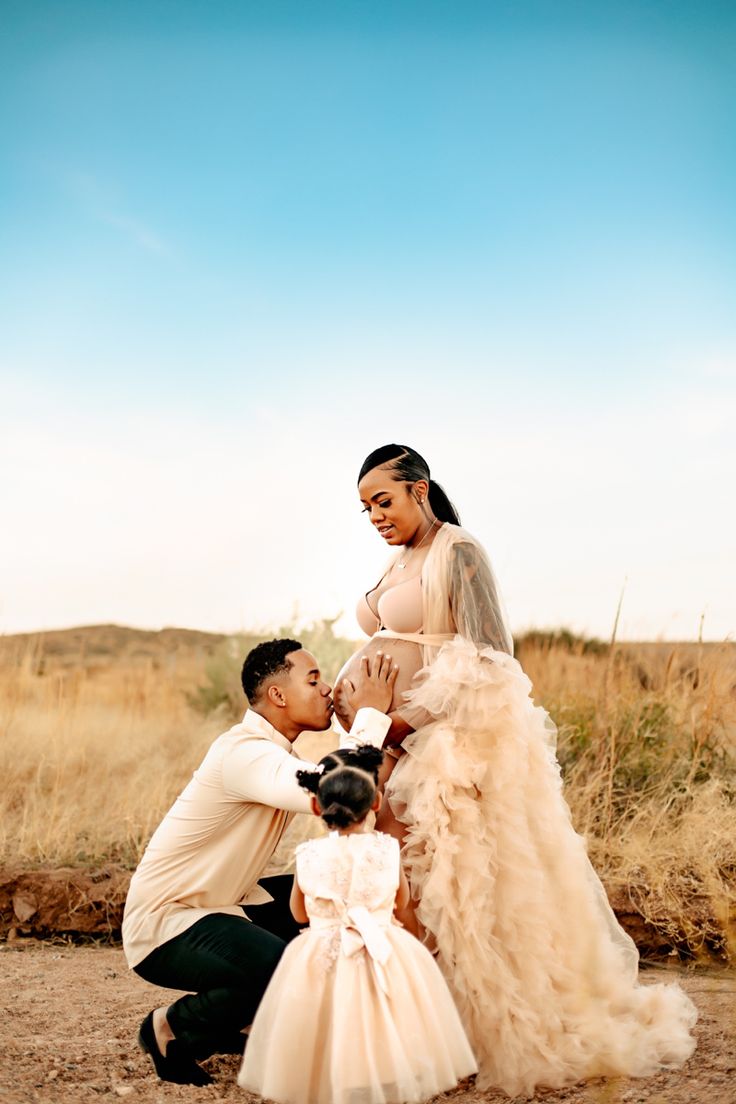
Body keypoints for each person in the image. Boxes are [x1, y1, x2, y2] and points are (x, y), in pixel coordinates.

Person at [333, 444, 697, 1098]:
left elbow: (491, 656)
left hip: (438, 745)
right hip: (385, 747)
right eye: (364, 508)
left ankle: (473, 1031)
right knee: (400, 885)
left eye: (383, 501)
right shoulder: (401, 558)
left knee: (456, 885)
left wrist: (401, 723)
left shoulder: (459, 550)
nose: (374, 516)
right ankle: (414, 1023)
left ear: (420, 489)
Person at [122, 638, 397, 1086]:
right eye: (313, 680)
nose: (327, 689)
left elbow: (349, 798)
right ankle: (174, 1028)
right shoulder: (243, 753)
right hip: (169, 921)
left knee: (329, 895)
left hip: (224, 904)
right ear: (278, 695)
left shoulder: (276, 755)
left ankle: (248, 1016)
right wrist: (371, 714)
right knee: (285, 967)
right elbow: (337, 788)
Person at [238, 745, 477, 1104]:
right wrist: (412, 945)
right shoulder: (387, 851)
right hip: (382, 945)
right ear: (376, 803)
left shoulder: (307, 856)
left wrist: (329, 918)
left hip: (324, 951)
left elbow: (299, 915)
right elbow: (403, 906)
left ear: (317, 807)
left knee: (329, 1019)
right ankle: (384, 1076)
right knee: (384, 1016)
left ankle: (335, 1080)